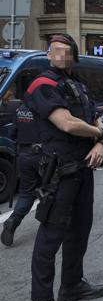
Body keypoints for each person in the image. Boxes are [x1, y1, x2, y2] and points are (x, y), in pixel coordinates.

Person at [26, 34, 103, 301]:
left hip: (84, 168)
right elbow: (67, 124)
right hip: (59, 171)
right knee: (51, 237)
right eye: (56, 50)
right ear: (48, 54)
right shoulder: (43, 84)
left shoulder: (77, 84)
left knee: (80, 230)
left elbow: (95, 116)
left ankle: (72, 285)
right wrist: (99, 134)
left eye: (67, 51)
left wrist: (101, 142)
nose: (61, 55)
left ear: (74, 56)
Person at [1, 101, 42, 247]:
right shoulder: (45, 106)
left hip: (24, 155)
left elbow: (13, 133)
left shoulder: (20, 110)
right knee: (52, 189)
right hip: (43, 155)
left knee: (26, 193)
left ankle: (13, 220)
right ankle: (51, 224)